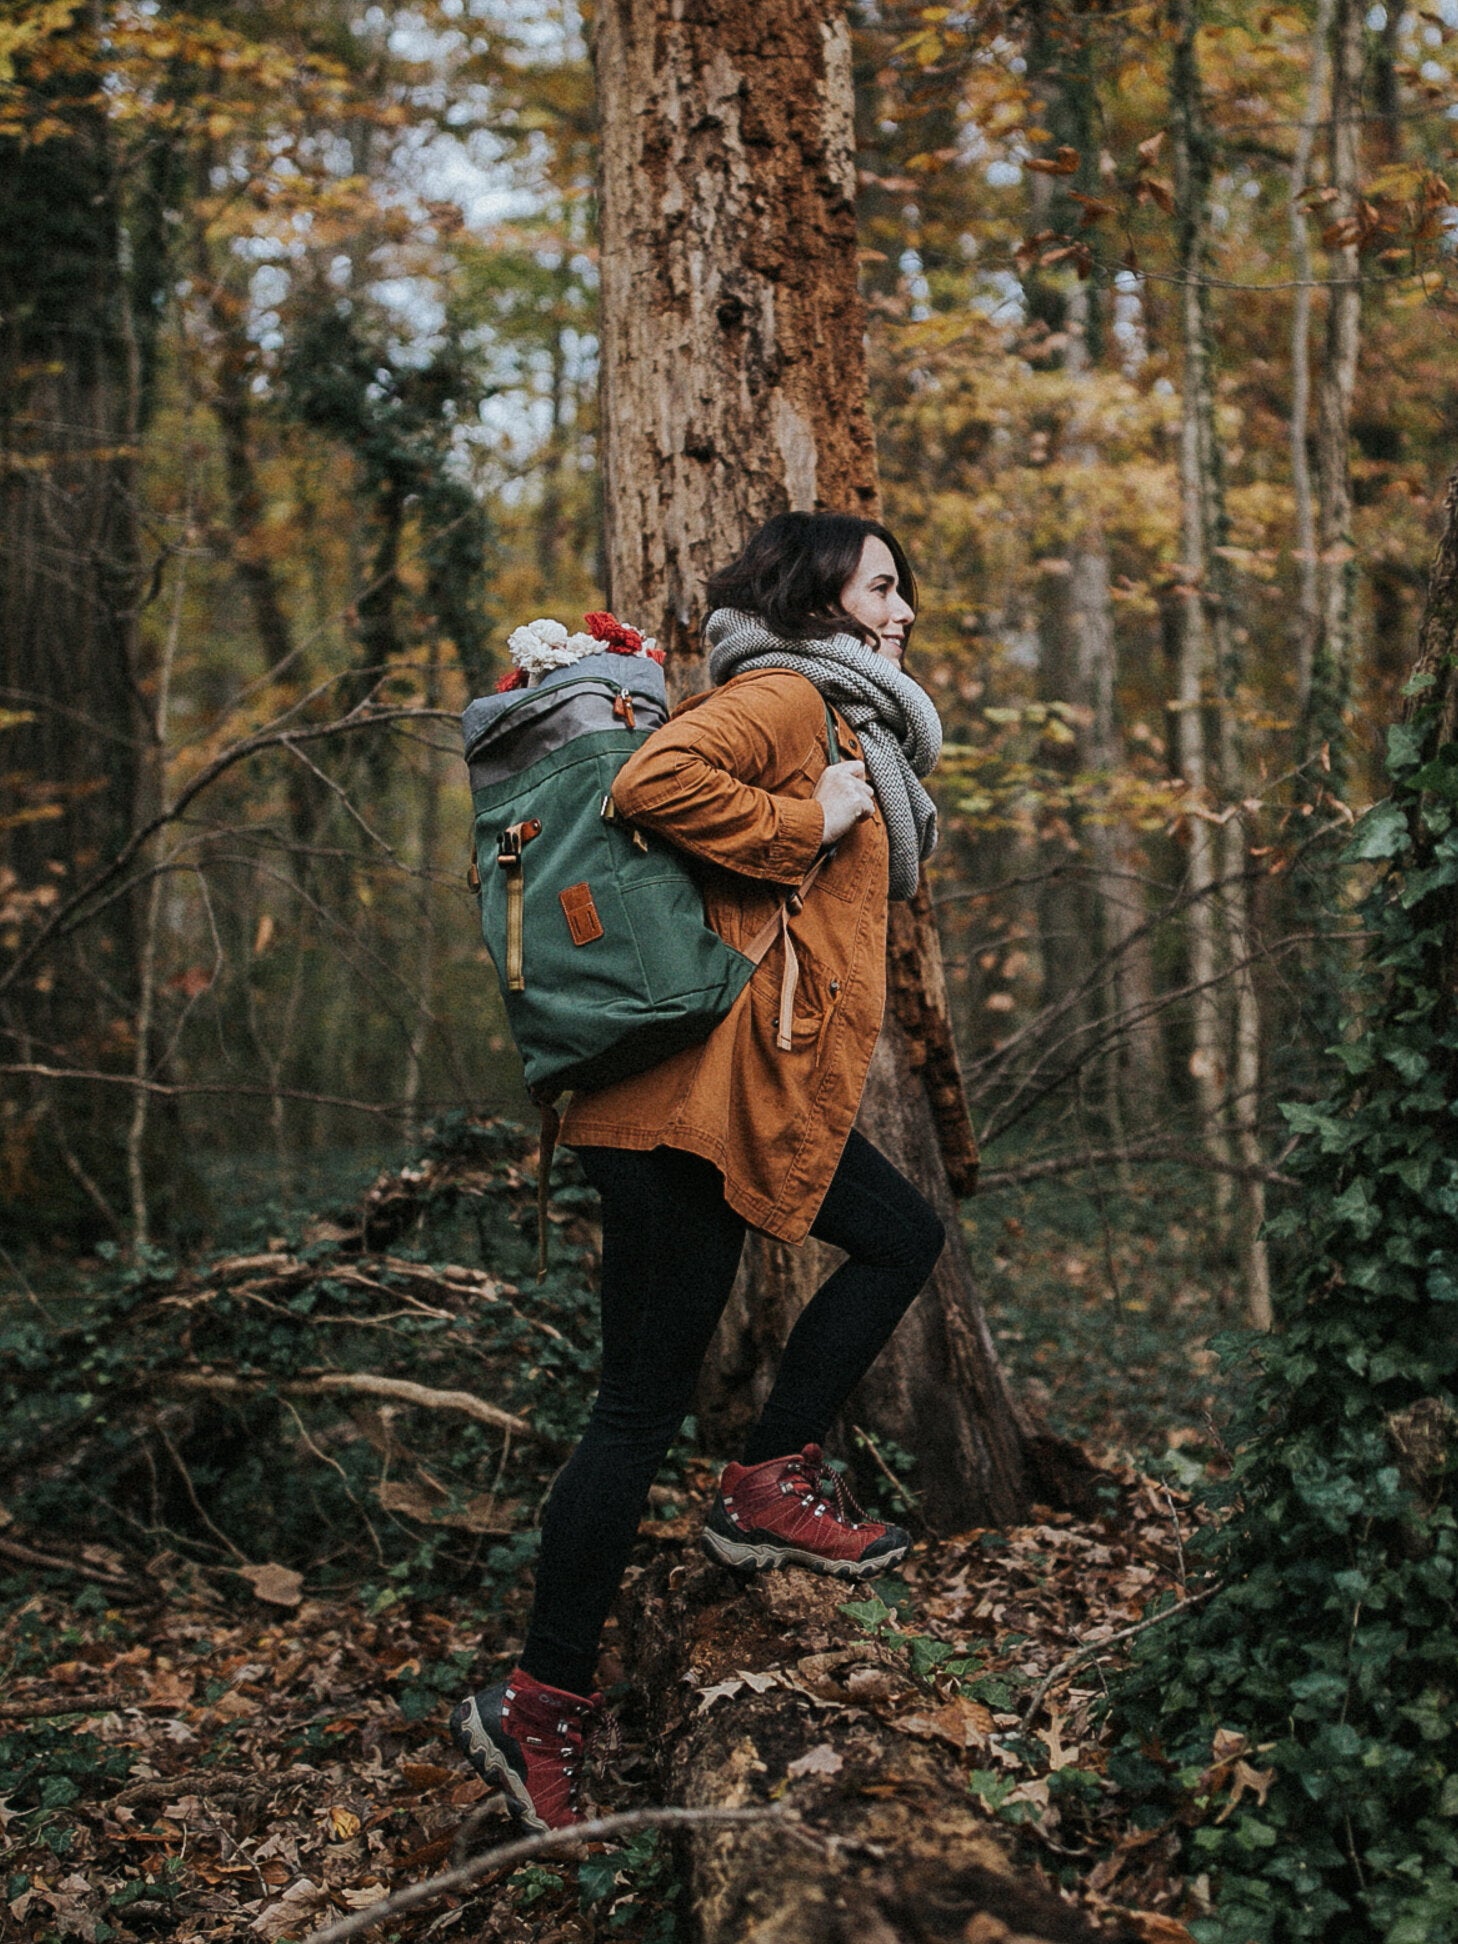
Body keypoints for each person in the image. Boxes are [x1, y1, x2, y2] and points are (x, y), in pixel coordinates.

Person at [450, 510, 947, 1832]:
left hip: (741, 1090)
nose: (900, 611)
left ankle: (761, 1483)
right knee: (634, 1406)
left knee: (899, 1237)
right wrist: (810, 814)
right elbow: (649, 786)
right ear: (819, 595)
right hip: (682, 1100)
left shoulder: (844, 714)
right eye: (882, 585)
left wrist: (841, 796)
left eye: (901, 591)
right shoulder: (787, 695)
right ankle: (535, 1701)